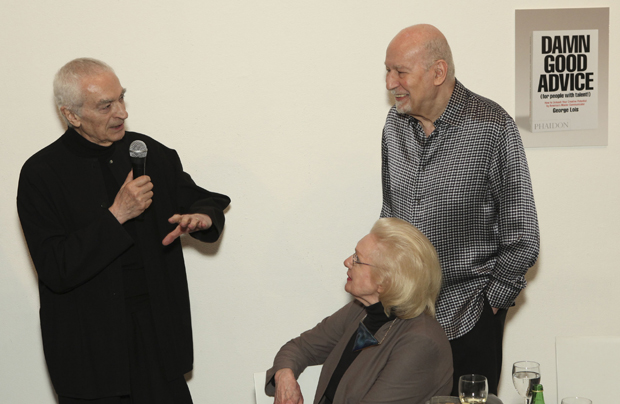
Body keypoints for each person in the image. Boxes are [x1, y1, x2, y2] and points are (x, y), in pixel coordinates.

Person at [17, 58, 230, 404]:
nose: (122, 113)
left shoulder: (147, 152)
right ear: (71, 115)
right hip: (92, 353)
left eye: (121, 99)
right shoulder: (41, 175)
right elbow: (56, 268)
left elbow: (202, 200)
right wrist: (116, 215)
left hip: (157, 339)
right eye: (106, 105)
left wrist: (202, 218)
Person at [381, 24, 539, 395]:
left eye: (400, 71)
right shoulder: (394, 127)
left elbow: (523, 234)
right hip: (405, 320)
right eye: (387, 71)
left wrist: (492, 306)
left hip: (469, 319)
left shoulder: (492, 127)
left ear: (438, 72)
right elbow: (390, 218)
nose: (390, 83)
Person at [265, 218, 453, 404]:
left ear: (385, 281)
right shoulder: (360, 311)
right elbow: (300, 348)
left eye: (357, 259)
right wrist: (284, 375)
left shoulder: (420, 342)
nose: (347, 262)